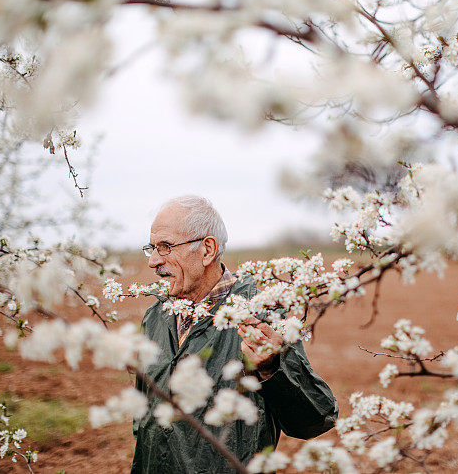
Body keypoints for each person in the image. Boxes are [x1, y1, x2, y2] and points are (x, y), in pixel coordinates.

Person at [131, 196, 338, 473]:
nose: (154, 261)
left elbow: (315, 419)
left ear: (207, 250)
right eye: (151, 248)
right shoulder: (155, 316)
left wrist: (271, 369)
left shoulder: (260, 313)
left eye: (165, 247)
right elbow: (144, 422)